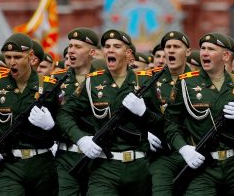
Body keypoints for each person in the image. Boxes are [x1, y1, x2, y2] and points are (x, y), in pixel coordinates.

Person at [56, 29, 162, 195]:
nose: (110, 49)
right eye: (107, 46)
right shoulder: (92, 82)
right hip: (104, 167)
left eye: (117, 46)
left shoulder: (144, 82)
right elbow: (65, 114)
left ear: (128, 54)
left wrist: (144, 113)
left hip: (139, 167)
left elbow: (163, 124)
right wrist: (81, 139)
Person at [164, 32, 234, 195]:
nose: (204, 53)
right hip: (202, 166)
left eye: (211, 49)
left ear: (225, 56)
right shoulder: (185, 83)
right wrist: (183, 149)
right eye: (203, 48)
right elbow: (170, 123)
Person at [0, 33, 59, 195]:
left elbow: (64, 125)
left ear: (31, 57)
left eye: (17, 57)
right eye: (8, 57)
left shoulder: (49, 87)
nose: (12, 62)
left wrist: (51, 126)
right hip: (8, 164)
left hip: (41, 163)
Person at [52, 27, 99, 196]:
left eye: (78, 47)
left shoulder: (104, 80)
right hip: (66, 155)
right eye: (70, 46)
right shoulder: (56, 81)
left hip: (98, 157)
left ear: (92, 52)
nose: (71, 50)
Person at [149, 31, 194, 196]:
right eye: (168, 47)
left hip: (195, 150)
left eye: (176, 46)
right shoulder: (151, 81)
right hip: (163, 154)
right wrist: (144, 132)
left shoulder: (200, 80)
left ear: (188, 51)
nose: (171, 51)